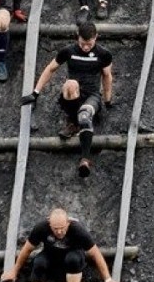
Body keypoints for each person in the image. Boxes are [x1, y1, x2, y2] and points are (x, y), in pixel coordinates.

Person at [1, 205, 121, 282]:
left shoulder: (77, 229)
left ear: (68, 223)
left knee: (72, 259)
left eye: (62, 228)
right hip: (52, 256)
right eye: (55, 228)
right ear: (49, 224)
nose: (59, 232)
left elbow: (95, 254)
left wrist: (108, 280)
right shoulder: (41, 228)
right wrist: (14, 271)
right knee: (39, 262)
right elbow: (27, 249)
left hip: (73, 258)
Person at [23, 21, 113, 177]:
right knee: (70, 84)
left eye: (89, 44)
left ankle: (85, 159)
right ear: (77, 37)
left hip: (92, 97)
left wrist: (107, 100)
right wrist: (35, 93)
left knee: (85, 115)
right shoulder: (69, 51)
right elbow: (50, 69)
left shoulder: (103, 54)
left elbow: (107, 76)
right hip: (73, 96)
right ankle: (73, 122)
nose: (86, 47)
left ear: (96, 38)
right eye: (83, 43)